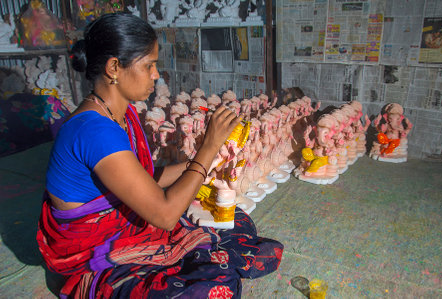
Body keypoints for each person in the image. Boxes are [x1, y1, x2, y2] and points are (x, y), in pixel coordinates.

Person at [36, 13, 283, 298]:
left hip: (129, 231)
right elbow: (165, 215)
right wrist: (208, 147)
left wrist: (205, 164)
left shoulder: (121, 114)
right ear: (114, 67)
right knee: (215, 285)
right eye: (149, 65)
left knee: (237, 222)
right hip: (95, 260)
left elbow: (142, 178)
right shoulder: (94, 130)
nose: (156, 75)